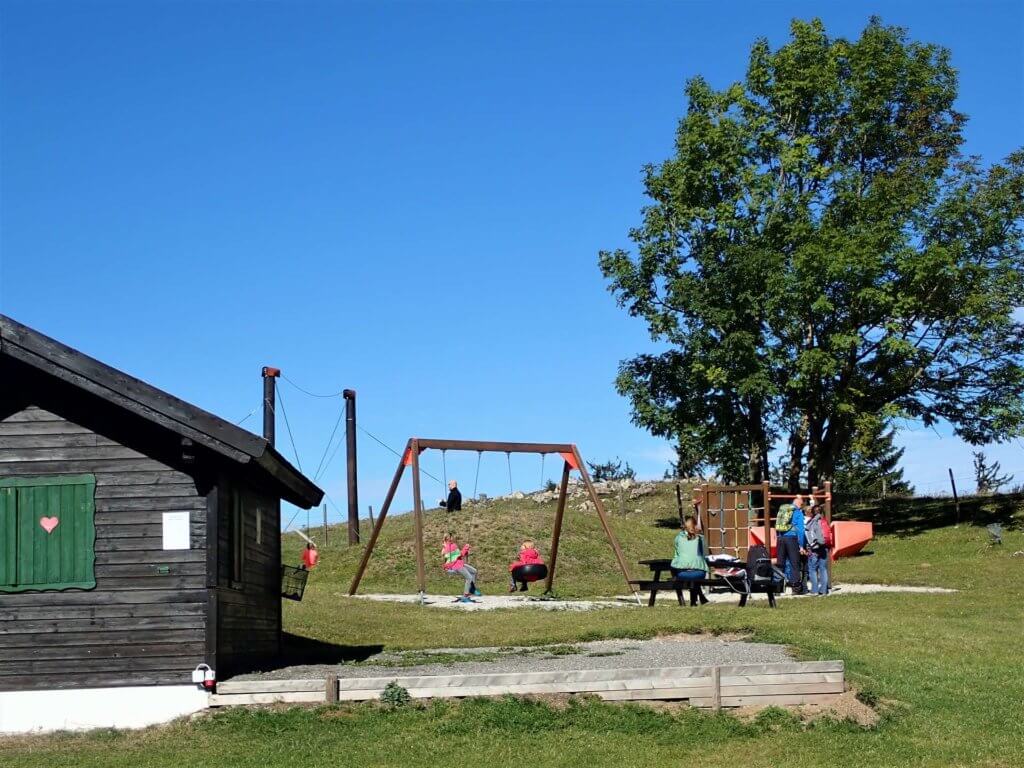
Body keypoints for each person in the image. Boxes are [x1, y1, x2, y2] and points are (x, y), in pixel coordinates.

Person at [671, 516, 710, 606]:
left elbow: (677, 553)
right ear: (695, 525)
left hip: (682, 573)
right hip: (699, 573)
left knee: (690, 576)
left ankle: (696, 600)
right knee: (695, 576)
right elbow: (705, 554)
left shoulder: (678, 538)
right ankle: (696, 600)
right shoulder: (700, 538)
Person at [776, 494, 806, 595]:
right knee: (794, 563)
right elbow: (801, 531)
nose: (801, 506)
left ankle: (777, 589)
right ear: (799, 503)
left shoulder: (783, 510)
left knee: (780, 563)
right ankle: (795, 589)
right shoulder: (798, 512)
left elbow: (777, 524)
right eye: (801, 504)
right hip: (792, 539)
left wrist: (778, 536)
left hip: (780, 538)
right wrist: (801, 545)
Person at [441, 532, 479, 601]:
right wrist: (466, 547)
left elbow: (457, 555)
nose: (453, 538)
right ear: (448, 539)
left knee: (474, 571)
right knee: (469, 578)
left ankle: (471, 589)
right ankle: (466, 595)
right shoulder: (451, 546)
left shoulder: (448, 546)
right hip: (457, 566)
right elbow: (460, 554)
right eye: (451, 537)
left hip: (459, 563)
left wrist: (465, 550)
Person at [805, 499, 831, 595]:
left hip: (814, 548)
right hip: (824, 547)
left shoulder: (811, 522)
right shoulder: (825, 521)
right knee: (823, 569)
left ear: (812, 513)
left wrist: (809, 547)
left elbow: (808, 535)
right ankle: (824, 590)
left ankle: (815, 590)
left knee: (812, 569)